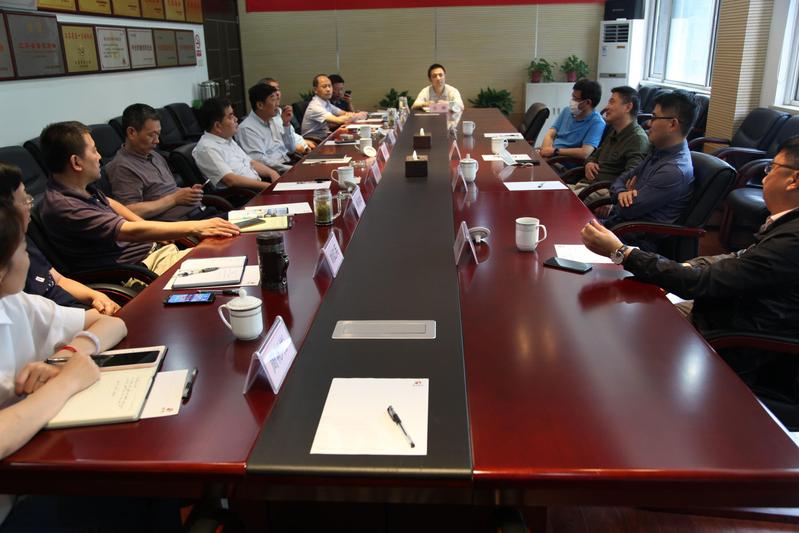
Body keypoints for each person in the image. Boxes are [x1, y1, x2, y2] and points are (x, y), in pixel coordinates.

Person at [581, 136, 799, 410]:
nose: (765, 176)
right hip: (723, 311)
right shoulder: (788, 225)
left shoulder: (792, 240)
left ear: (794, 180)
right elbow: (740, 259)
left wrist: (622, 252)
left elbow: (701, 283)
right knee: (620, 315)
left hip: (734, 337)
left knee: (620, 339)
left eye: (772, 167)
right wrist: (692, 266)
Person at [0, 199, 128, 523]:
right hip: (13, 501)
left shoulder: (14, 303)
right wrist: (68, 381)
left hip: (36, 467)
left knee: (139, 487)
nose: (29, 258)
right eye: (23, 249)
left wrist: (68, 355)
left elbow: (112, 323)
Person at [38, 121, 240, 275]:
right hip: (139, 270)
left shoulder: (80, 187)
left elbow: (112, 203)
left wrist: (148, 229)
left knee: (235, 255)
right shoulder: (66, 205)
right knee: (232, 266)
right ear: (76, 162)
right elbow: (130, 232)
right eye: (94, 150)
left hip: (157, 254)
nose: (99, 156)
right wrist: (197, 227)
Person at [0, 164, 119, 314]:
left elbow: (57, 279)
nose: (30, 205)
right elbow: (46, 320)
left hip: (76, 312)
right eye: (24, 200)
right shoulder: (15, 294)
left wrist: (95, 296)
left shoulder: (21, 239)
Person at [602, 91, 698, 235]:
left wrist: (622, 195)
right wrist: (622, 192)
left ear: (672, 124)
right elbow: (620, 180)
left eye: (654, 117)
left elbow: (627, 210)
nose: (648, 123)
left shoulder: (673, 170)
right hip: (618, 225)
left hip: (632, 237)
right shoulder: (658, 150)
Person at [106, 103, 219, 222]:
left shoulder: (155, 155)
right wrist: (174, 199)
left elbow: (167, 190)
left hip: (202, 214)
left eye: (158, 134)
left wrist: (188, 193)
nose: (157, 141)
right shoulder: (122, 167)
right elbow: (130, 211)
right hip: (182, 226)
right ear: (131, 133)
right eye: (151, 135)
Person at [569, 86, 650, 202]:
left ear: (628, 107)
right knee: (550, 192)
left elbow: (630, 178)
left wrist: (611, 197)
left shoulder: (638, 139)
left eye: (612, 102)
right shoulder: (614, 130)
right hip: (587, 186)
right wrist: (589, 163)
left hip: (602, 192)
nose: (606, 107)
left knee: (558, 200)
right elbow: (594, 155)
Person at [193, 97, 278, 190]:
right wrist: (269, 187)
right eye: (230, 116)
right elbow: (231, 180)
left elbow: (251, 162)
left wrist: (272, 173)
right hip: (244, 194)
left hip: (258, 186)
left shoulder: (226, 138)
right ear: (217, 126)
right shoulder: (207, 148)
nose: (236, 119)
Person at [236, 83, 300, 174]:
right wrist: (290, 168)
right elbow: (259, 160)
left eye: (277, 100)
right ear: (260, 105)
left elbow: (291, 149)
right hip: (275, 172)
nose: (278, 104)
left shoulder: (274, 120)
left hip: (288, 163)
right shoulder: (247, 128)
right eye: (273, 100)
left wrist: (286, 124)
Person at [540, 79, 605, 161]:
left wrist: (554, 151)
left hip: (563, 161)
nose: (572, 101)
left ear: (588, 102)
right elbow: (550, 133)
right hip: (550, 156)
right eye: (572, 96)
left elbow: (585, 152)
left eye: (575, 98)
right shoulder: (567, 111)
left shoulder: (597, 123)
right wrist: (545, 150)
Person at [300, 75, 366, 142]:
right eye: (324, 86)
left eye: (329, 86)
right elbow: (339, 120)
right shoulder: (315, 106)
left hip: (324, 137)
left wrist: (353, 115)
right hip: (313, 141)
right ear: (315, 90)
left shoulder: (326, 102)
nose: (328, 89)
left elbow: (344, 113)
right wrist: (358, 115)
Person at [260, 77, 315, 151]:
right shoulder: (263, 119)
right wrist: (298, 147)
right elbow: (278, 146)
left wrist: (303, 142)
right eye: (273, 91)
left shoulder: (279, 111)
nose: (277, 93)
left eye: (277, 89)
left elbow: (291, 134)